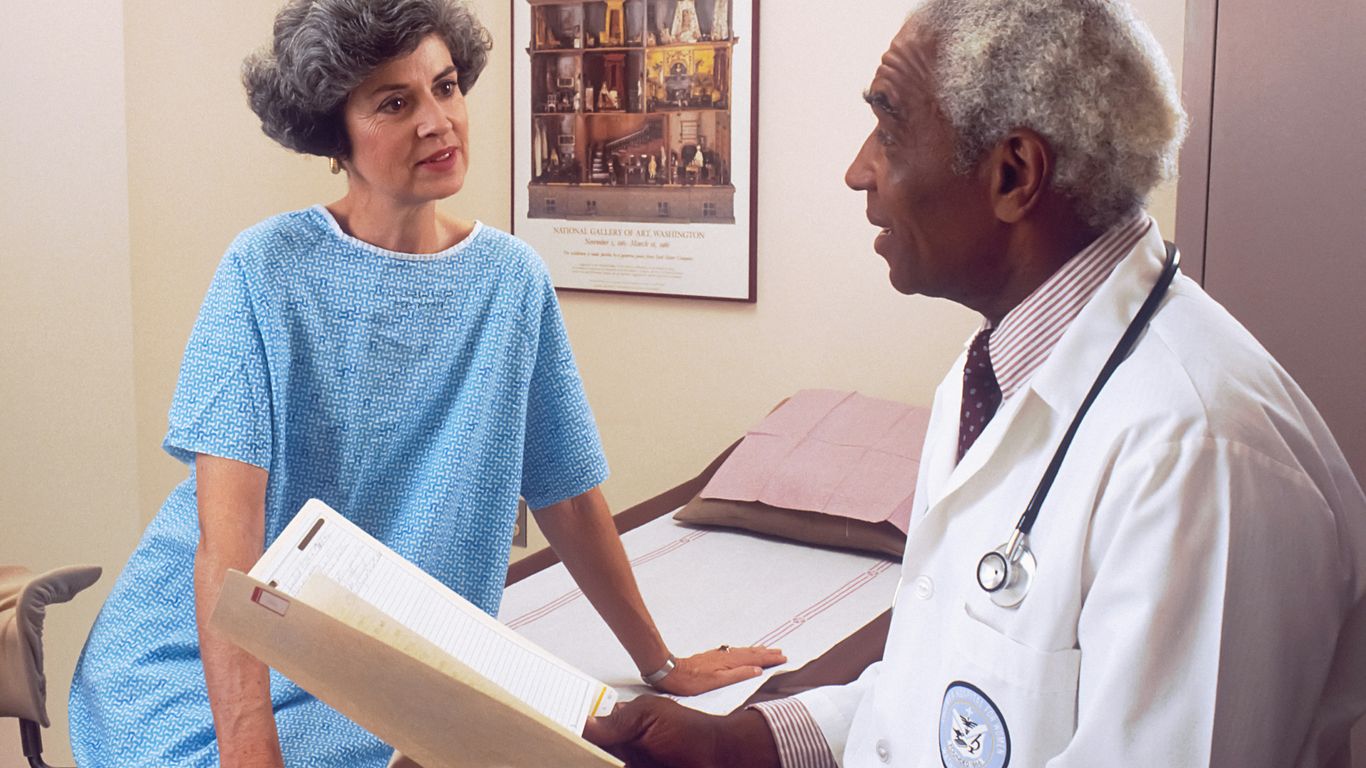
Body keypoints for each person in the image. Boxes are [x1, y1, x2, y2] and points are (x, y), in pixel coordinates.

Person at [585, 0, 1366, 765]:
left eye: (890, 128)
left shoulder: (1201, 457)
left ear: (1014, 174)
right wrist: (744, 743)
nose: (858, 170)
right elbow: (944, 689)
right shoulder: (987, 372)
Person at [67, 1, 781, 765]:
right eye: (396, 102)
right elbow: (225, 543)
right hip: (200, 660)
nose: (439, 121)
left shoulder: (512, 282)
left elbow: (567, 494)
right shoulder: (264, 268)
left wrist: (660, 664)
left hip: (384, 669)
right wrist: (250, 754)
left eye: (445, 87)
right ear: (333, 133)